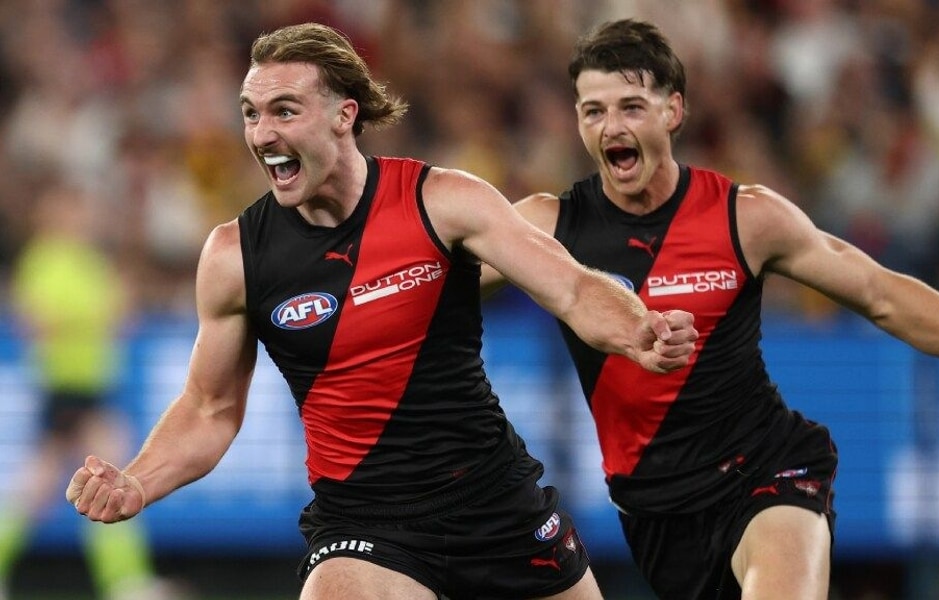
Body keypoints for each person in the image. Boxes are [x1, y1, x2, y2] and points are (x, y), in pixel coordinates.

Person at [64, 22, 699, 600]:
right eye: (251, 114)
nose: (262, 134)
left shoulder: (442, 201)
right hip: (364, 523)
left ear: (345, 115)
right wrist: (137, 481)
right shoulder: (236, 256)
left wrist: (638, 330)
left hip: (495, 504)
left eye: (285, 110)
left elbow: (572, 289)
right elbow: (210, 409)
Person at [481, 18, 939, 600]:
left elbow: (878, 292)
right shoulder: (546, 226)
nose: (611, 127)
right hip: (656, 516)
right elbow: (440, 270)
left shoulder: (744, 216)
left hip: (766, 468)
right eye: (593, 111)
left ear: (673, 111)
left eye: (631, 107)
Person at [1, 182, 179, 600]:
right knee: (105, 479)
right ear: (51, 215)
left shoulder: (91, 262)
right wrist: (92, 317)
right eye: (71, 210)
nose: (81, 218)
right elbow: (34, 320)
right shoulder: (45, 259)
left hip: (94, 386)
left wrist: (117, 305)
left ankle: (127, 581)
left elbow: (120, 316)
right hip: (65, 387)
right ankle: (127, 582)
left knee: (48, 486)